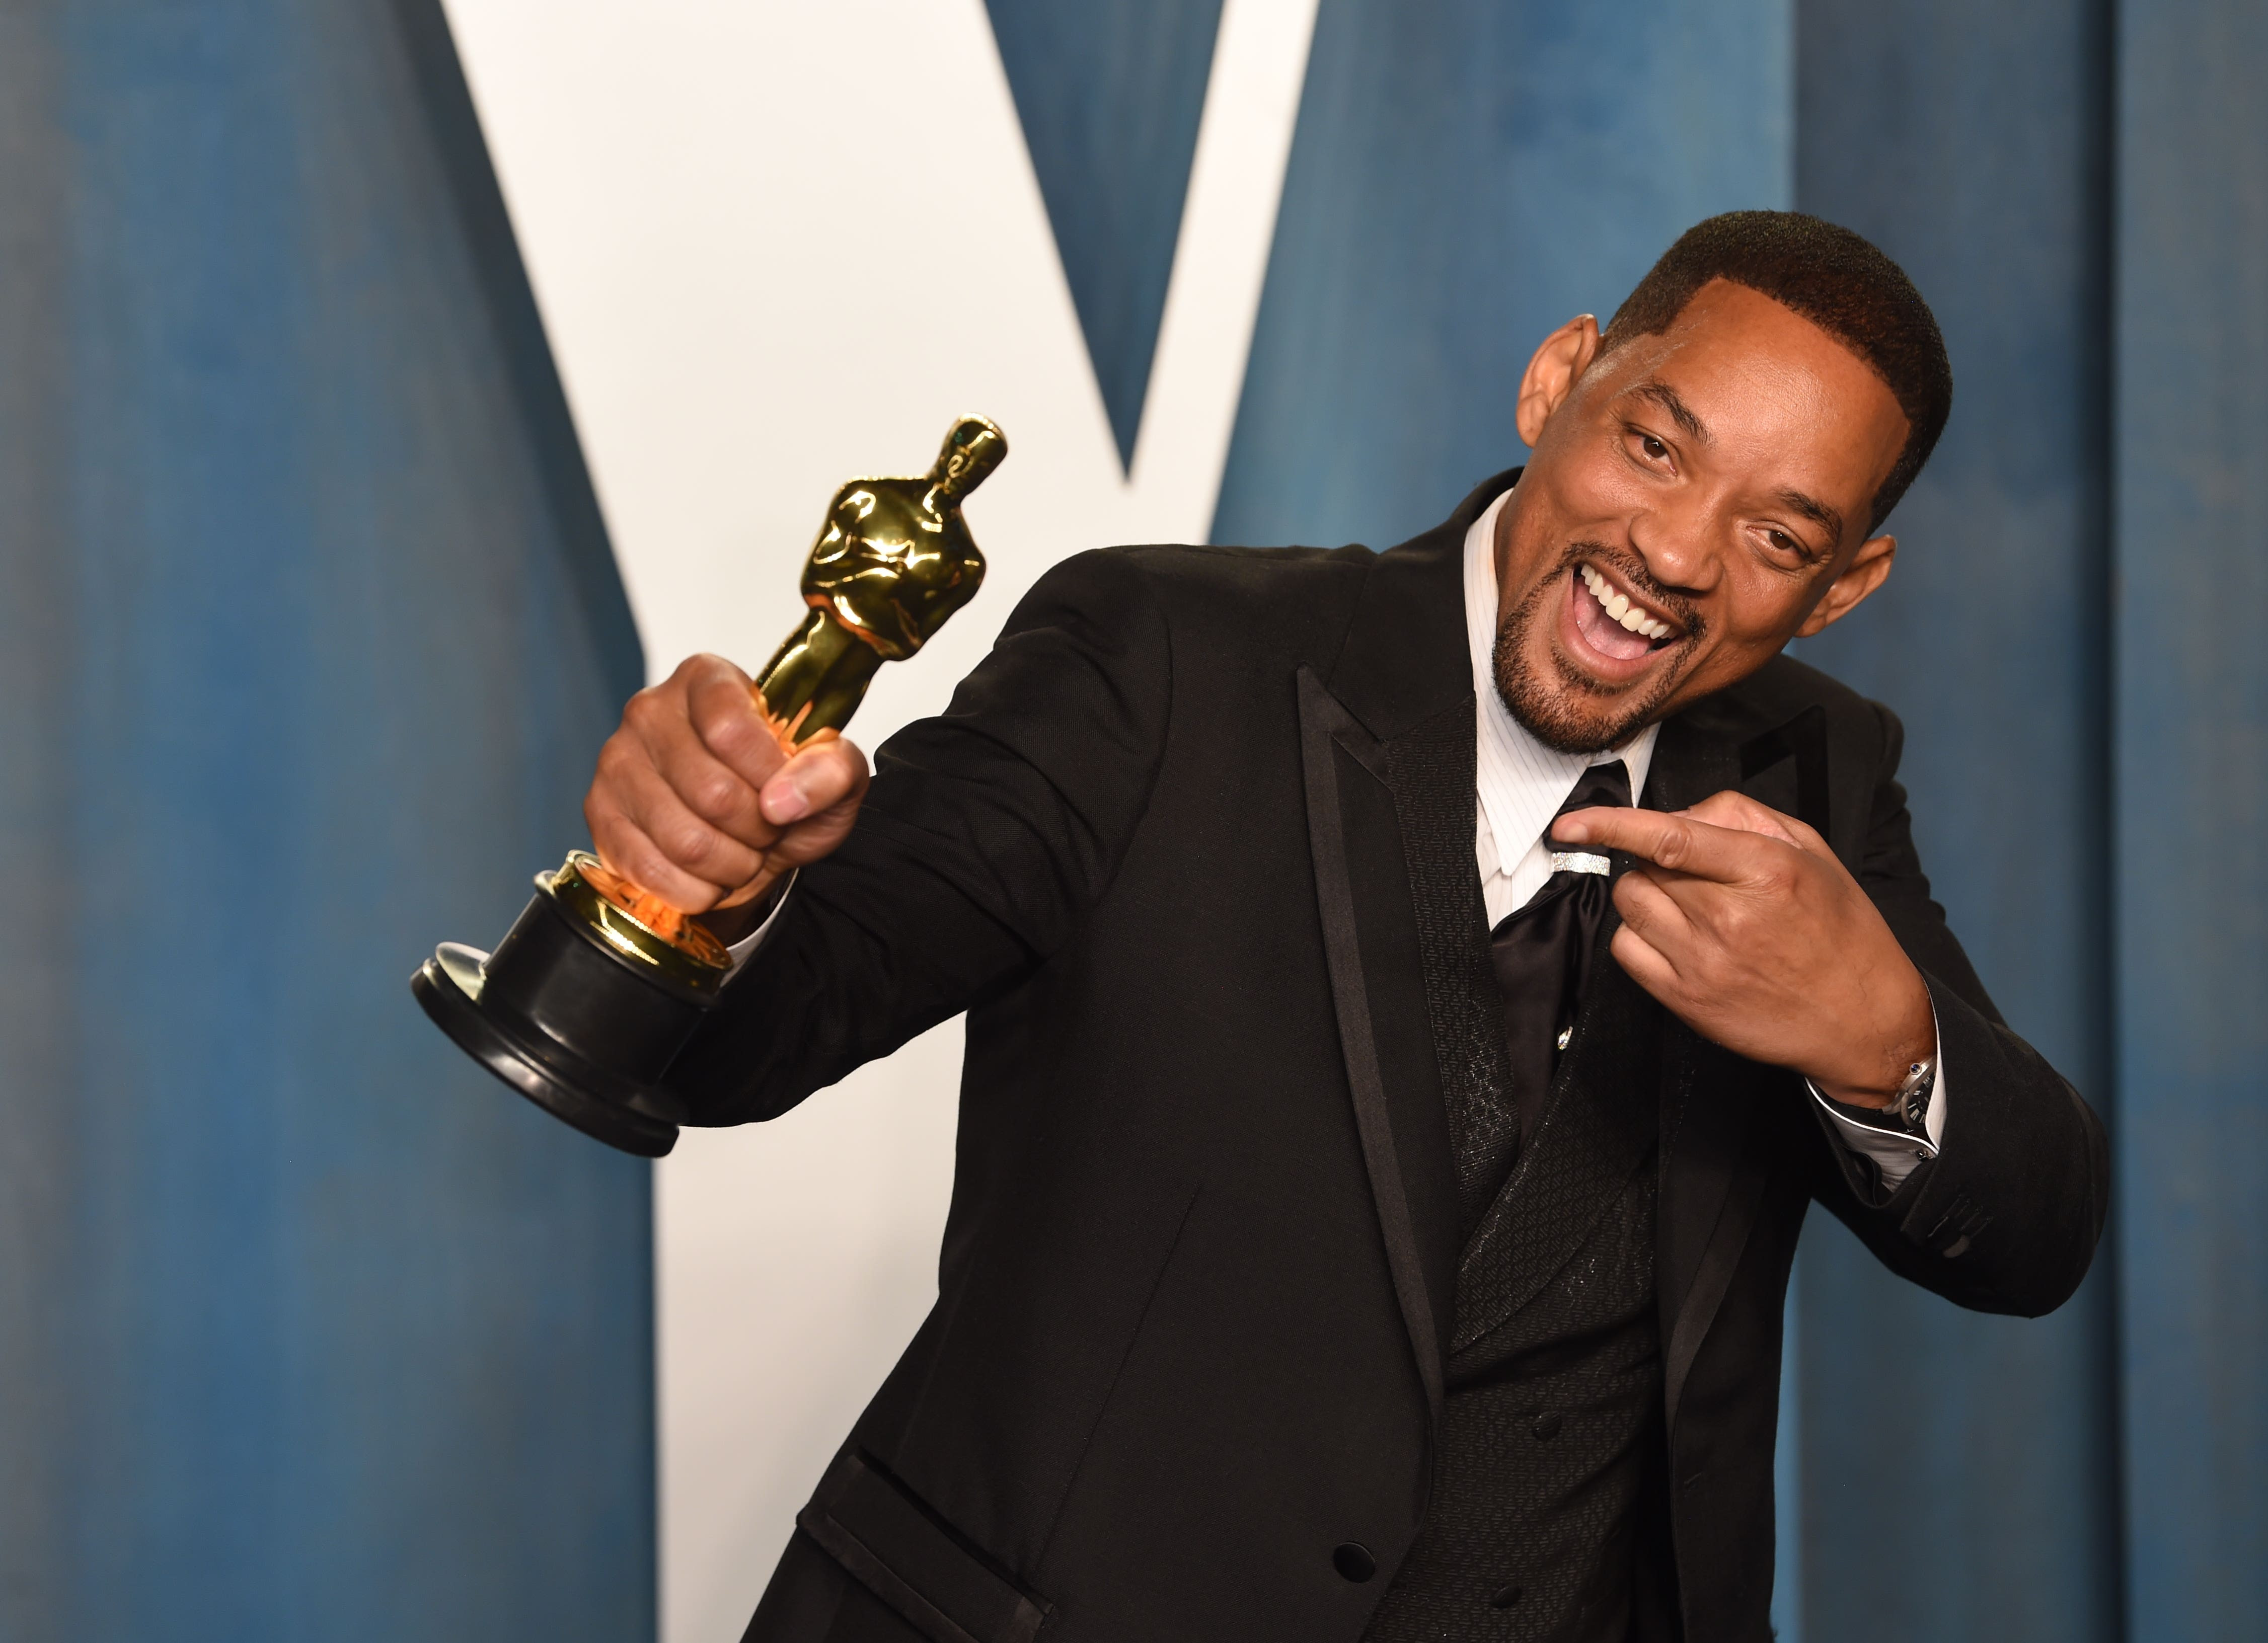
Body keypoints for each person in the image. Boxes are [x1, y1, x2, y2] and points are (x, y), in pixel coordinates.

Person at [584, 211, 2107, 1642]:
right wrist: (705, 889)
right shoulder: (1160, 655)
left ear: (1844, 587)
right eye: (1654, 445)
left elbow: (2032, 1231)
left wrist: (1882, 1041)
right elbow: (760, 1029)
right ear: (1555, 379)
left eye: (1778, 538)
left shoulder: (1820, 776)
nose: (1676, 553)